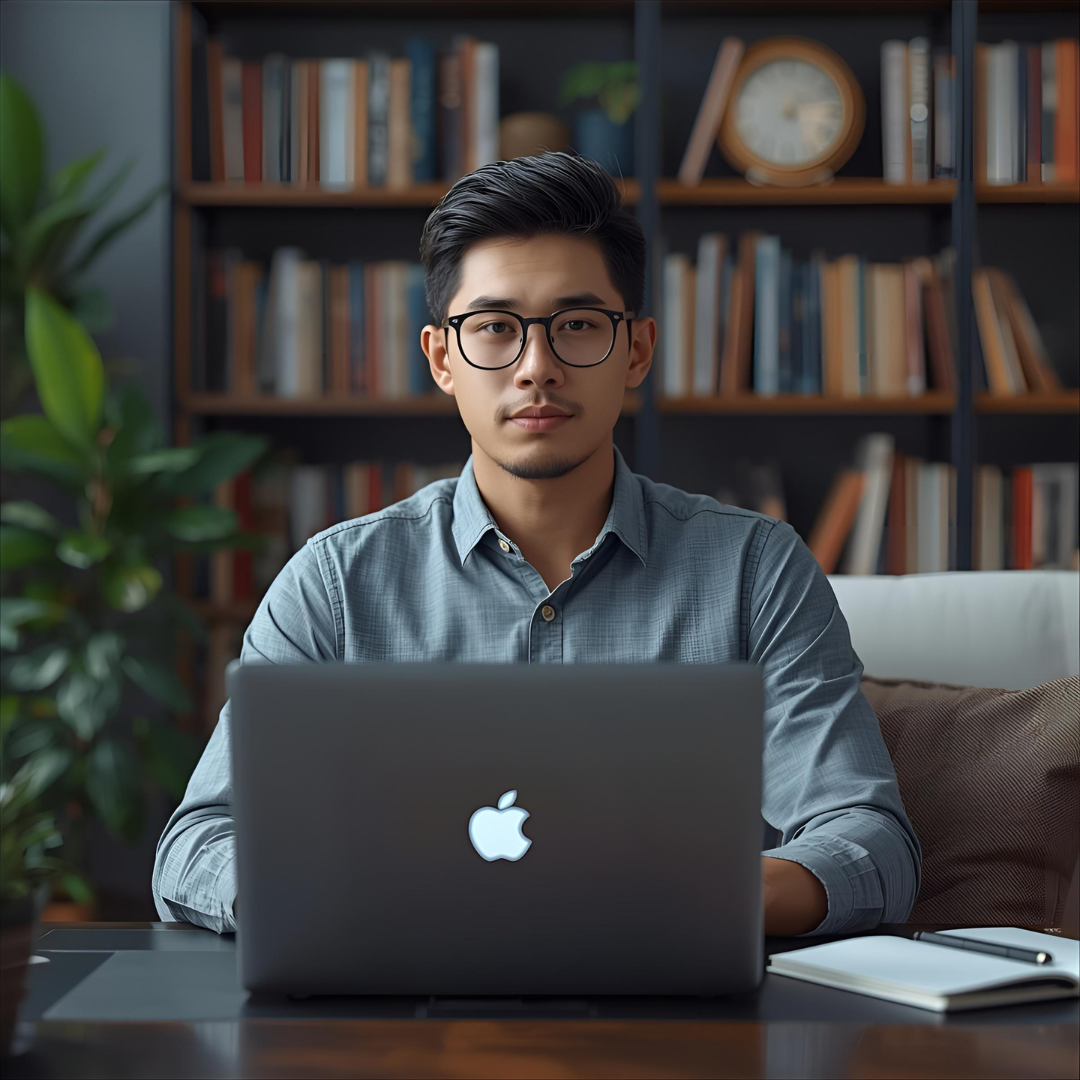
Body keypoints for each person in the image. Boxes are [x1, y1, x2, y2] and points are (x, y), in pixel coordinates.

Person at [154, 151, 920, 937]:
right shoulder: (338, 581)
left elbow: (871, 845)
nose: (537, 368)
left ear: (637, 351)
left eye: (578, 326)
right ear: (442, 359)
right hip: (400, 996)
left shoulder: (754, 569)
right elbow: (196, 846)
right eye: (495, 328)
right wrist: (351, 896)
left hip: (675, 1005)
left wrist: (687, 898)